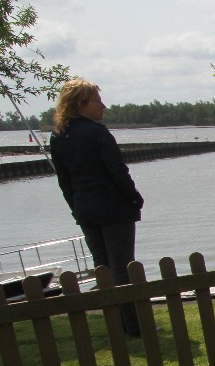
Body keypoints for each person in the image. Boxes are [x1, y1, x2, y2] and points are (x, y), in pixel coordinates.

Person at [50, 78, 145, 337]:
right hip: (114, 209)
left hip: (86, 210)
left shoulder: (58, 137)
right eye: (97, 101)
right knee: (122, 267)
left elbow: (64, 182)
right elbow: (117, 171)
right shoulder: (98, 133)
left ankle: (117, 325)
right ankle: (133, 326)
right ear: (81, 104)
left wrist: (76, 208)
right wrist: (134, 197)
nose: (103, 106)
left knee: (102, 268)